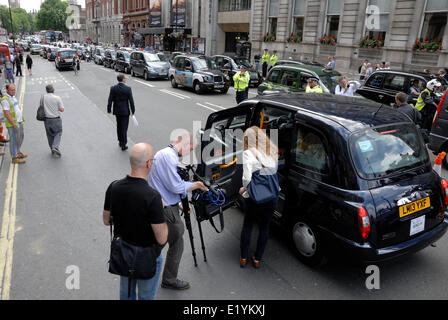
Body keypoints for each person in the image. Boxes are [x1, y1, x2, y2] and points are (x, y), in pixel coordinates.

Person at [103, 143, 168, 300]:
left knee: (126, 295)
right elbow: (162, 238)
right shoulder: (153, 197)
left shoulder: (114, 187)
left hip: (124, 253)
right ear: (148, 164)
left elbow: (106, 220)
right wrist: (162, 209)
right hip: (147, 256)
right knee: (145, 297)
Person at [147, 133, 208, 290]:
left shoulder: (165, 154)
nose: (188, 152)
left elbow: (164, 184)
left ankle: (143, 265)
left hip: (162, 203)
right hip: (165, 208)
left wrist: (180, 203)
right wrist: (196, 185)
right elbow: (175, 186)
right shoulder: (169, 157)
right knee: (177, 241)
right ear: (183, 143)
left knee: (161, 239)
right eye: (190, 148)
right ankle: (168, 279)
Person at [239, 126, 278, 268]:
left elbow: (247, 178)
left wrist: (243, 190)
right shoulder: (272, 150)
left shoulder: (249, 153)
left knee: (248, 225)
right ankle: (257, 259)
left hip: (255, 197)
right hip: (272, 196)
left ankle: (243, 258)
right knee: (265, 227)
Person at [107, 74, 135, 151]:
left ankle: (120, 141)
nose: (126, 79)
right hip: (125, 111)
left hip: (117, 111)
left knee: (119, 126)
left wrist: (109, 109)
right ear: (122, 80)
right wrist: (133, 111)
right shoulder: (128, 89)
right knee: (124, 128)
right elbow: (131, 101)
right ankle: (124, 144)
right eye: (125, 78)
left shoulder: (113, 88)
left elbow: (110, 100)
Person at [1, 84, 26, 164]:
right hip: (12, 124)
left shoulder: (13, 97)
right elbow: (7, 113)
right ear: (7, 90)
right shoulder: (5, 100)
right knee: (14, 140)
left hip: (19, 121)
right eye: (12, 90)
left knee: (20, 137)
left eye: (14, 89)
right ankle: (14, 157)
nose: (14, 91)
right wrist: (14, 124)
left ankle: (17, 152)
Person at [43, 84, 65, 157]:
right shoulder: (57, 98)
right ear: (53, 90)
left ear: (46, 90)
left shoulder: (43, 97)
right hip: (56, 119)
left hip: (46, 120)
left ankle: (52, 149)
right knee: (58, 133)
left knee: (49, 134)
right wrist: (56, 108)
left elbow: (41, 107)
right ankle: (55, 147)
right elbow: (62, 109)